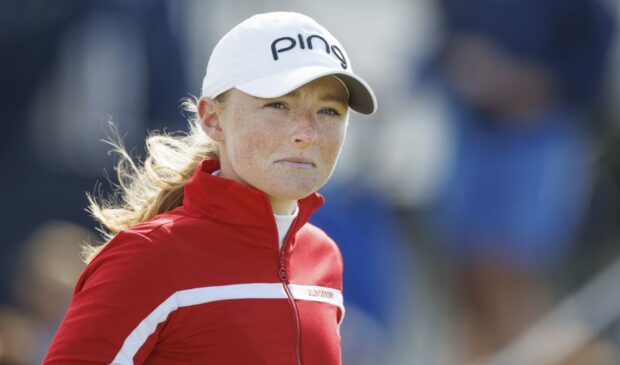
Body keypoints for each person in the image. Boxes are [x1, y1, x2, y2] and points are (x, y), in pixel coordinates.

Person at [43, 11, 376, 365]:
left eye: (328, 111)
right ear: (212, 119)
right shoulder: (149, 256)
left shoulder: (324, 258)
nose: (306, 134)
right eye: (278, 105)